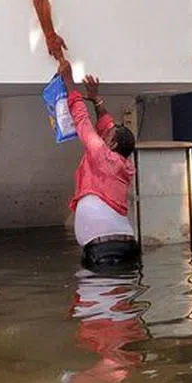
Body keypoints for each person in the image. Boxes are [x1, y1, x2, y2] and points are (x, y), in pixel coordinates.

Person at [57, 58, 139, 271]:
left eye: (107, 136)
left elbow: (82, 121)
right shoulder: (122, 164)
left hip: (104, 250)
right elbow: (107, 125)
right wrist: (96, 100)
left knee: (98, 300)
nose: (103, 134)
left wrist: (69, 82)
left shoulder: (102, 154)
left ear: (111, 143)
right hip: (124, 244)